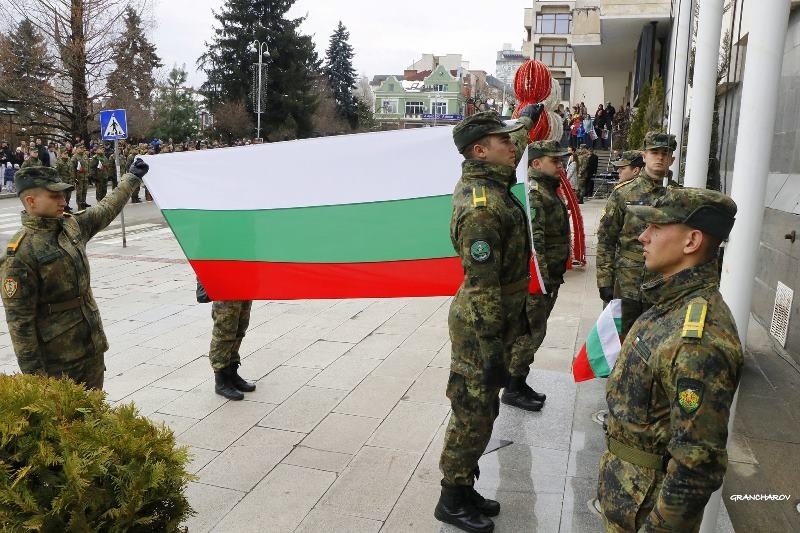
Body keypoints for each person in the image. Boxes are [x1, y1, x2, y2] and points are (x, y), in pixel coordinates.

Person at [598, 187, 742, 532]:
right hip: (628, 496)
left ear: (691, 241)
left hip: (645, 512)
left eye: (656, 228)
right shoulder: (671, 302)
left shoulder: (699, 341)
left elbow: (696, 467)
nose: (642, 237)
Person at [435, 104, 542, 533]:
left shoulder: (493, 183)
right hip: (483, 326)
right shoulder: (482, 207)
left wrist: (527, 117)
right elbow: (481, 289)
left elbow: (518, 134)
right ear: (480, 151)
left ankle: (465, 487)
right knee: (472, 412)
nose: (513, 146)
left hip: (499, 320)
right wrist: (495, 350)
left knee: (484, 411)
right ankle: (451, 498)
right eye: (503, 142)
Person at [0, 160, 148, 390]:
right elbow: (20, 325)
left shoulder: (70, 226)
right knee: (67, 424)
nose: (63, 201)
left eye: (63, 195)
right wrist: (36, 383)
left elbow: (105, 209)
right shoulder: (20, 255)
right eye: (54, 196)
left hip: (91, 347)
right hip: (57, 363)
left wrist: (131, 178)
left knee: (95, 414)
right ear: (31, 201)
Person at [504, 140, 570, 412]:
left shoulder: (548, 190)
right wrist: (539, 283)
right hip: (538, 281)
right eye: (555, 161)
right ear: (536, 163)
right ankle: (512, 387)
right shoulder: (535, 193)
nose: (561, 165)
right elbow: (535, 244)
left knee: (535, 333)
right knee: (530, 333)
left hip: (549, 278)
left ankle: (519, 382)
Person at [596, 132, 680, 334]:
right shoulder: (623, 193)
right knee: (619, 341)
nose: (659, 157)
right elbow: (606, 239)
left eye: (665, 153)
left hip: (663, 284)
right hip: (627, 282)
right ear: (644, 157)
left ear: (672, 159)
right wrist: (604, 280)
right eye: (654, 152)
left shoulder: (679, 196)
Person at [207, 298, 258, 400]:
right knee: (224, 332)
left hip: (243, 287)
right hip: (225, 291)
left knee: (240, 328)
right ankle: (221, 381)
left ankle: (232, 374)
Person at [71, 144, 90, 209]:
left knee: (85, 191)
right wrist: (74, 179)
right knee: (79, 192)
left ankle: (83, 203)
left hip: (85, 177)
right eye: (80, 148)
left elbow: (88, 165)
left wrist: (89, 174)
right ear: (76, 149)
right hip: (79, 178)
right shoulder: (74, 157)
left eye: (83, 148)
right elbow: (72, 169)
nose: (82, 149)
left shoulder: (85, 156)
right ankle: (79, 205)